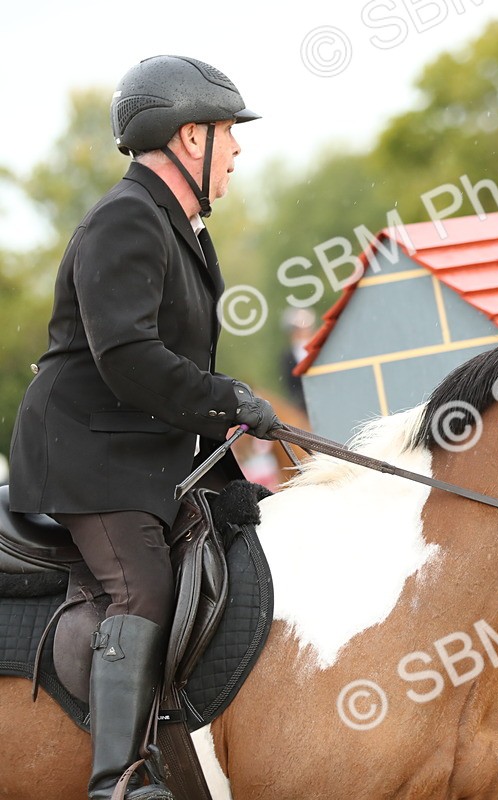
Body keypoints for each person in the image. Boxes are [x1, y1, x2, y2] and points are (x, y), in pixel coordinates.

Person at [7, 55, 278, 800]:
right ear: (191, 137)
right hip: (88, 454)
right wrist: (228, 400)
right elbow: (128, 357)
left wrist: (228, 439)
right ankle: (116, 782)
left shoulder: (178, 226)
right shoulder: (126, 217)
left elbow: (168, 365)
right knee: (142, 587)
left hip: (141, 452)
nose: (237, 148)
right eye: (228, 132)